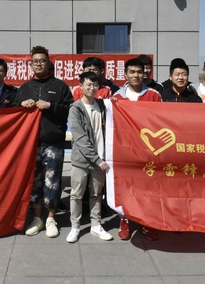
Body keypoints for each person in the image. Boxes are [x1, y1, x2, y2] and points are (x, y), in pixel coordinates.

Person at [14, 46, 73, 238]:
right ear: (31, 65)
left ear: (49, 63)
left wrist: (51, 105)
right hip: (31, 144)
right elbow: (13, 113)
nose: (39, 64)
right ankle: (37, 218)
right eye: (35, 61)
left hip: (53, 143)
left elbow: (70, 110)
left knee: (53, 181)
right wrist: (21, 105)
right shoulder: (25, 88)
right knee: (35, 182)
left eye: (42, 61)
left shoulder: (60, 86)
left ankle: (51, 218)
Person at [111, 58, 162, 241]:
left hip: (148, 151)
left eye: (139, 72)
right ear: (125, 74)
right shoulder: (117, 97)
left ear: (145, 73)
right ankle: (124, 220)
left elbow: (161, 121)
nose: (136, 75)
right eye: (132, 72)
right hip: (125, 150)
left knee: (147, 188)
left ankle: (146, 222)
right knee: (125, 187)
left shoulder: (154, 95)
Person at [66, 71, 112, 243]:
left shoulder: (102, 105)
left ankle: (96, 225)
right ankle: (75, 227)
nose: (92, 88)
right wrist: (97, 159)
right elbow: (80, 138)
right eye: (89, 85)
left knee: (96, 194)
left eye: (95, 85)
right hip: (83, 161)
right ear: (81, 87)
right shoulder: (75, 109)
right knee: (77, 195)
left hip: (100, 159)